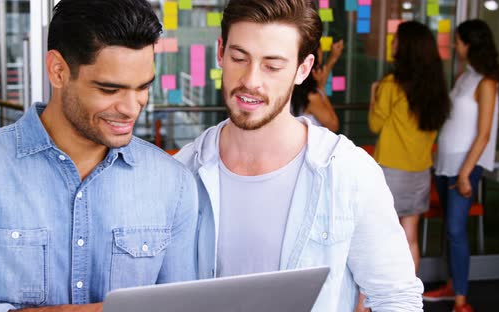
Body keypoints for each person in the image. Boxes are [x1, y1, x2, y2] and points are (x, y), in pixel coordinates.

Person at [0, 0, 198, 311]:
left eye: (143, 87)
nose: (131, 107)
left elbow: (181, 305)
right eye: (109, 89)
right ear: (58, 71)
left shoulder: (172, 184)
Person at [174, 0, 424, 311]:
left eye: (272, 66)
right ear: (220, 52)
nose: (251, 80)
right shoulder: (182, 172)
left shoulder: (348, 172)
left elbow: (396, 297)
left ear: (302, 69)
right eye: (239, 58)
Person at [423, 19, 499, 312]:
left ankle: (461, 299)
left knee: (457, 230)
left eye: (458, 40)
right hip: (445, 163)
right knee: (450, 229)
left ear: (469, 44)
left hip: (464, 166)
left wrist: (464, 173)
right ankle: (451, 285)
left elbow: (484, 133)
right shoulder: (465, 76)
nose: (455, 45)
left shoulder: (487, 81)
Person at [368, 21, 451, 273]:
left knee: (378, 237)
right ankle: (407, 301)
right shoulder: (435, 87)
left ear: (406, 47)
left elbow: (374, 124)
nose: (392, 44)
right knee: (410, 236)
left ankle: (372, 302)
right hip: (421, 172)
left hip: (392, 171)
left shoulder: (392, 84)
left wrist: (374, 94)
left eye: (395, 40)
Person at [291, 39, 343, 132]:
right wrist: (322, 89)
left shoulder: (294, 87)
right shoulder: (312, 97)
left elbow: (321, 78)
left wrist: (333, 57)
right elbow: (333, 125)